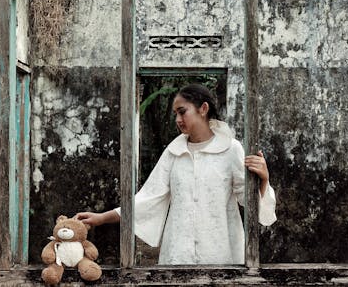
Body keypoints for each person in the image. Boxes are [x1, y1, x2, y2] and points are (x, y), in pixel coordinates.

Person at [75, 84, 276, 265]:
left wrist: (263, 180)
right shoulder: (173, 151)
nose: (178, 120)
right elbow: (148, 198)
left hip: (221, 252)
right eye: (175, 114)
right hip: (179, 252)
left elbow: (248, 201)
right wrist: (101, 218)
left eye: (182, 112)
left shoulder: (231, 149)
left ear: (203, 109)